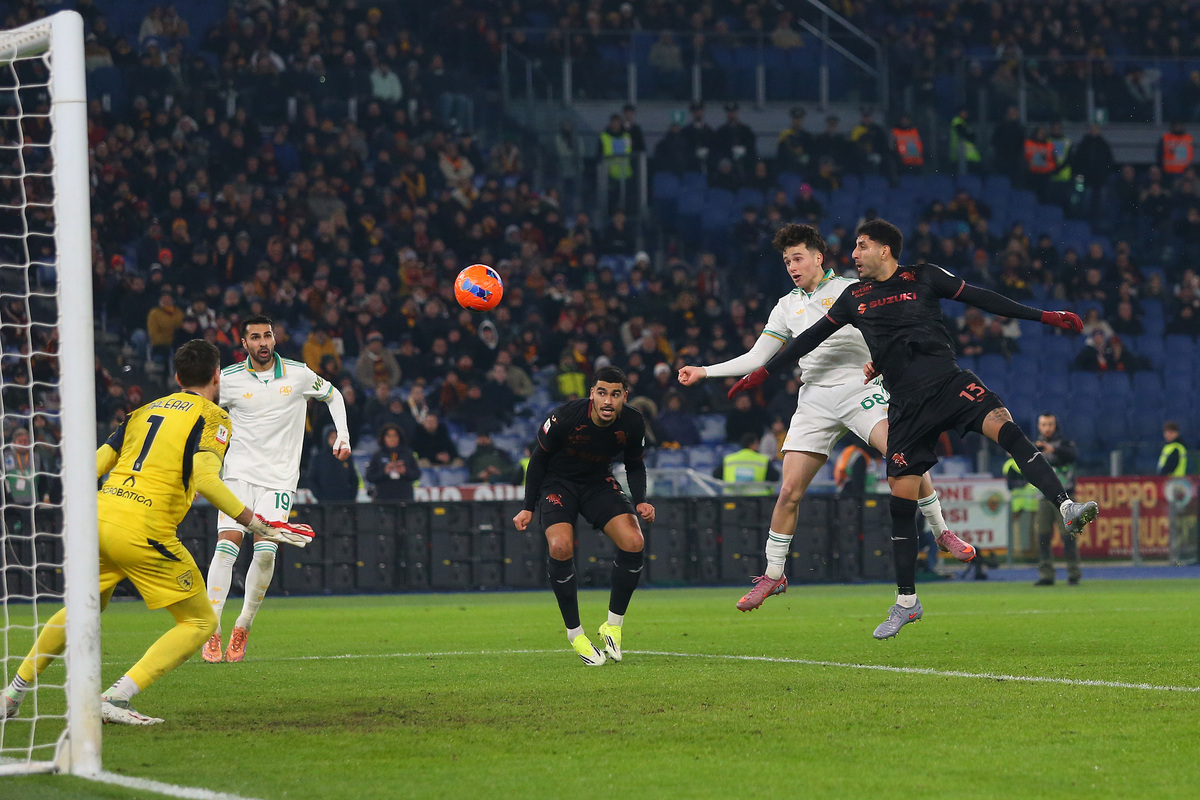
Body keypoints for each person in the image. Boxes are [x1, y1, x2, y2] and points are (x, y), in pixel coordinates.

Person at [729, 219, 1100, 639]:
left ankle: (1065, 505)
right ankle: (906, 602)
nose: (853, 254)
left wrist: (1045, 316)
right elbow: (808, 340)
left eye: (861, 246)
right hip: (905, 407)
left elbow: (984, 299)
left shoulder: (925, 276)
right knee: (900, 501)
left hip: (948, 384)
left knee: (1005, 427)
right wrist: (765, 372)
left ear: (884, 250)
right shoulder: (855, 297)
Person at [3, 341, 305, 725]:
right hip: (144, 529)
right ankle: (115, 697)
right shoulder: (213, 418)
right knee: (200, 623)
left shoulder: (142, 410)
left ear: (177, 378)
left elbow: (92, 465)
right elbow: (207, 481)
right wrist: (253, 521)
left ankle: (12, 693)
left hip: (100, 518)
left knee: (84, 608)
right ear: (217, 376)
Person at [679, 223, 970, 614]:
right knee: (788, 492)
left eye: (798, 258)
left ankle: (941, 531)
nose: (792, 266)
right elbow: (756, 357)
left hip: (859, 388)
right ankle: (774, 574)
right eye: (786, 261)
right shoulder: (786, 305)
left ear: (819, 257)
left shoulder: (853, 290)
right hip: (814, 396)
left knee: (903, 454)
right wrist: (705, 370)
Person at [202, 314, 351, 664]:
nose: (262, 343)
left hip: (280, 480)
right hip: (237, 476)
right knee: (227, 547)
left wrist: (342, 435)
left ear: (274, 338)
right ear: (244, 344)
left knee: (266, 552)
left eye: (267, 335)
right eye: (255, 337)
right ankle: (212, 628)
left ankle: (243, 626)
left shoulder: (298, 374)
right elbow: (203, 414)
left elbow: (334, 396)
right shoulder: (228, 379)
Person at [512, 366, 654, 667]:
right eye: (602, 393)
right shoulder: (566, 416)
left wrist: (640, 501)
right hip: (557, 483)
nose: (608, 401)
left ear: (624, 397)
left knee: (633, 541)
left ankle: (612, 626)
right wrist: (527, 505)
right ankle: (575, 634)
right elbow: (538, 460)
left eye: (615, 395)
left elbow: (635, 464)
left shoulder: (632, 421)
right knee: (560, 547)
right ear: (592, 394)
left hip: (597, 483)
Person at [1010, 414, 1082, 586]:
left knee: (1068, 536)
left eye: (1050, 424)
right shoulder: (1035, 446)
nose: (1047, 428)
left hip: (1065, 497)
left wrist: (1053, 450)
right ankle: (1047, 574)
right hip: (1043, 497)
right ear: (1039, 426)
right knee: (1042, 535)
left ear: (1055, 425)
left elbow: (1072, 455)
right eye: (1044, 424)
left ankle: (1074, 573)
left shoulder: (1064, 443)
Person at [365, 423, 421, 500]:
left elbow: (417, 474)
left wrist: (405, 471)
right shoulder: (377, 455)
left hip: (405, 496)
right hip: (383, 498)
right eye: (389, 436)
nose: (392, 439)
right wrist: (384, 472)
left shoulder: (408, 454)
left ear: (399, 437)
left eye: (395, 435)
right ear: (384, 438)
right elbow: (370, 477)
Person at [305, 426, 361, 503]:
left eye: (337, 437)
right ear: (326, 438)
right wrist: (320, 497)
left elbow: (354, 478)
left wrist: (351, 496)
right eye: (332, 437)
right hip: (326, 503)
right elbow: (311, 479)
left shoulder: (346, 456)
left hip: (345, 502)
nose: (335, 440)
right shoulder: (318, 458)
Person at [714, 433, 780, 495]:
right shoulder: (763, 460)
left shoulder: (729, 459)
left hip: (733, 497)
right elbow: (775, 477)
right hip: (757, 499)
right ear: (753, 444)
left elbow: (716, 475)